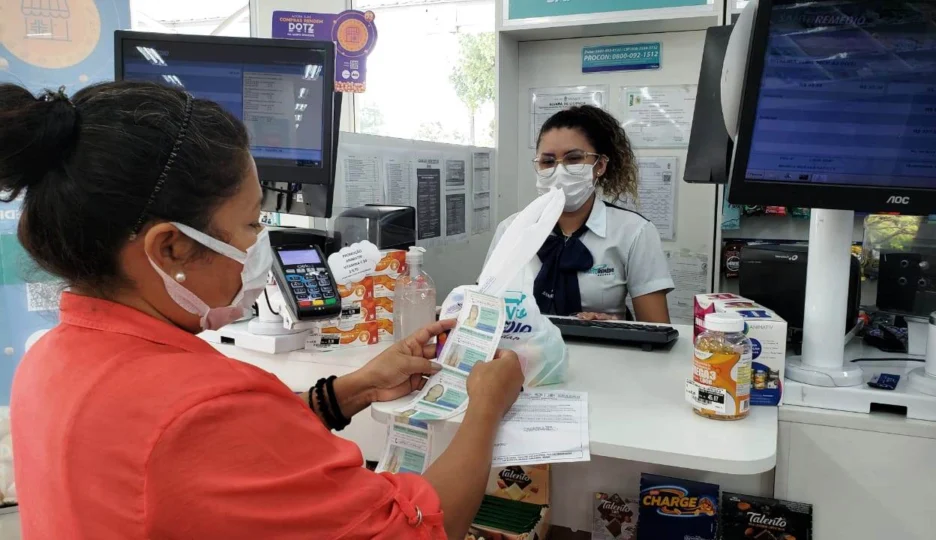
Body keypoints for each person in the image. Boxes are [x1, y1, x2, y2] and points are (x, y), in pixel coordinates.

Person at [3, 81, 524, 540]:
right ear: (171, 250)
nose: (261, 247)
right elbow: (418, 530)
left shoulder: (48, 360)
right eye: (253, 224)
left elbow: (214, 468)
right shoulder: (200, 409)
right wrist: (485, 409)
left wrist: (354, 389)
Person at [485, 105, 674, 322]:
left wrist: (616, 328)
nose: (559, 170)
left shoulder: (634, 232)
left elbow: (656, 328)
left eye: (573, 159)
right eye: (547, 161)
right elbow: (485, 309)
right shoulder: (511, 230)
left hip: (606, 352)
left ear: (600, 165)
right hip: (526, 353)